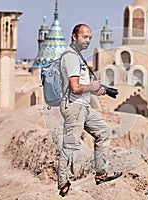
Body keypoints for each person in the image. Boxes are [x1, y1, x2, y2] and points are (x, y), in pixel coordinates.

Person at [58, 24, 121, 197]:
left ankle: (101, 173)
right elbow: (75, 88)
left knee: (104, 132)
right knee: (71, 145)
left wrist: (102, 90)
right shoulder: (71, 57)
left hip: (84, 106)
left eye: (89, 38)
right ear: (74, 37)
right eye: (84, 37)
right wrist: (92, 86)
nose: (87, 41)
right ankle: (63, 181)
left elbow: (84, 86)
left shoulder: (79, 57)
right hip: (74, 106)